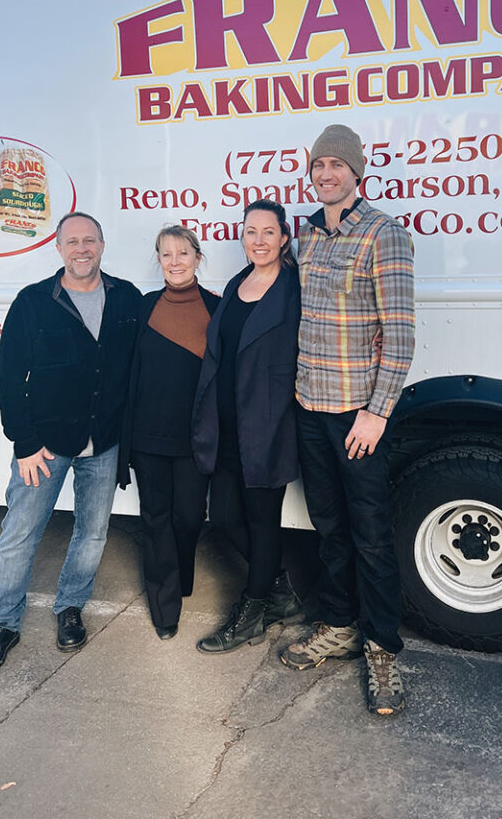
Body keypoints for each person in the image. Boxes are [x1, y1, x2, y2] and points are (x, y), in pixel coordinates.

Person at [279, 124, 416, 717]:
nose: (326, 175)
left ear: (357, 172)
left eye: (336, 165)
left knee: (371, 537)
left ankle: (383, 648)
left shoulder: (384, 234)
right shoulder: (307, 236)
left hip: (356, 417)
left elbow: (402, 333)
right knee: (329, 528)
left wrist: (376, 413)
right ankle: (338, 627)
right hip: (309, 406)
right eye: (318, 166)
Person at [0, 212, 142, 673]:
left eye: (90, 240)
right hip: (43, 446)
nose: (81, 249)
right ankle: (2, 623)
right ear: (59, 248)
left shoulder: (125, 297)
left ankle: (70, 607)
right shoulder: (32, 302)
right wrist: (23, 442)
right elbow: (9, 377)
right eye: (72, 242)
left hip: (103, 443)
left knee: (93, 532)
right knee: (20, 533)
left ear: (102, 245)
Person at [193, 199, 303, 653]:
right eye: (250, 232)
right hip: (226, 424)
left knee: (262, 522)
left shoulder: (294, 287)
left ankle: (254, 610)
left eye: (268, 232)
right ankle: (279, 591)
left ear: (283, 239)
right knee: (223, 518)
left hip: (268, 424)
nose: (258, 240)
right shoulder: (239, 283)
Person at [117, 225, 219, 639]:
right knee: (156, 518)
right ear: (158, 260)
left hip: (195, 438)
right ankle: (165, 607)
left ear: (197, 257)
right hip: (147, 437)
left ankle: (181, 575)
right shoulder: (143, 308)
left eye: (182, 253)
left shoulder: (217, 307)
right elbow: (126, 374)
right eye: (166, 254)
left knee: (190, 517)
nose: (174, 262)